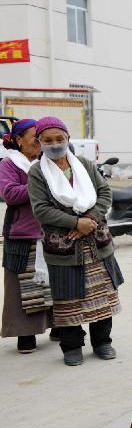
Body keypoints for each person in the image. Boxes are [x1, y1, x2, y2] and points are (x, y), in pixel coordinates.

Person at [28, 117, 123, 366]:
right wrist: (75, 223)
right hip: (65, 247)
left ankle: (103, 342)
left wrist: (90, 218)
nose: (55, 144)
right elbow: (41, 210)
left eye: (60, 138)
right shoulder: (38, 172)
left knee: (102, 294)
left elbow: (104, 192)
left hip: (96, 242)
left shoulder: (84, 164)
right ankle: (72, 347)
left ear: (68, 139)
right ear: (40, 143)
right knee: (68, 299)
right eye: (48, 140)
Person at [1, 119, 54, 353]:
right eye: (33, 135)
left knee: (53, 283)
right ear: (18, 140)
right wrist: (41, 182)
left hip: (51, 230)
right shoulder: (9, 164)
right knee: (21, 286)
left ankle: (59, 327)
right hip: (22, 234)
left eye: (39, 135)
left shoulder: (49, 161)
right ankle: (25, 334)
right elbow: (10, 194)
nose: (37, 140)